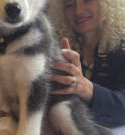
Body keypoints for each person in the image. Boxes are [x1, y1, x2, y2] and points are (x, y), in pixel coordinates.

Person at [46, 0, 125, 130]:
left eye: (87, 1)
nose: (78, 11)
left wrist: (87, 88)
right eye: (70, 5)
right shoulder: (61, 46)